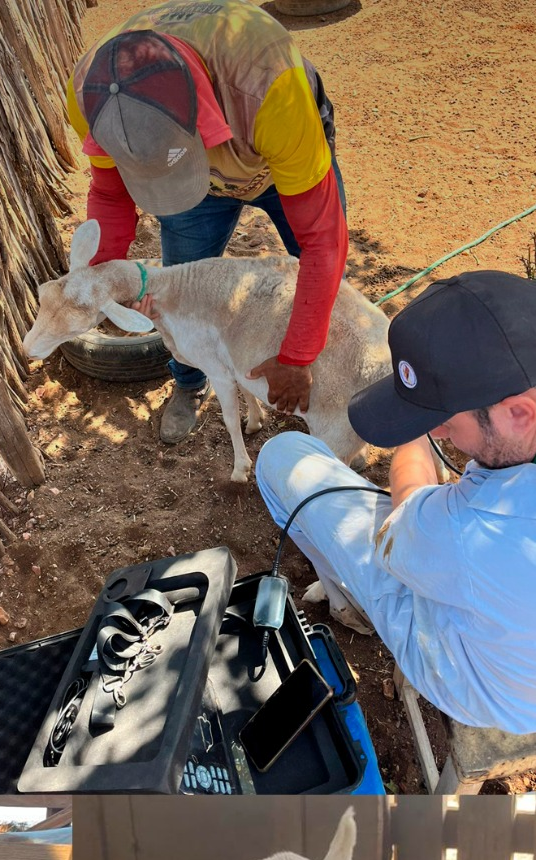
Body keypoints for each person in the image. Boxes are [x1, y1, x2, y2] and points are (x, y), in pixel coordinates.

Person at [255, 271, 536, 735]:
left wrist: (414, 435)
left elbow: (407, 510)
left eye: (444, 417)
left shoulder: (467, 531)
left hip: (481, 687)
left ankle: (345, 600)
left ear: (518, 414)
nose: (442, 430)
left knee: (282, 456)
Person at [67, 0, 346, 443]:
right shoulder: (91, 93)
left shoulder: (270, 85)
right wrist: (112, 283)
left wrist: (295, 357)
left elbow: (323, 243)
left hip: (276, 162)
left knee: (329, 284)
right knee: (178, 293)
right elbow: (109, 192)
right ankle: (188, 383)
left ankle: (325, 373)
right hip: (197, 174)